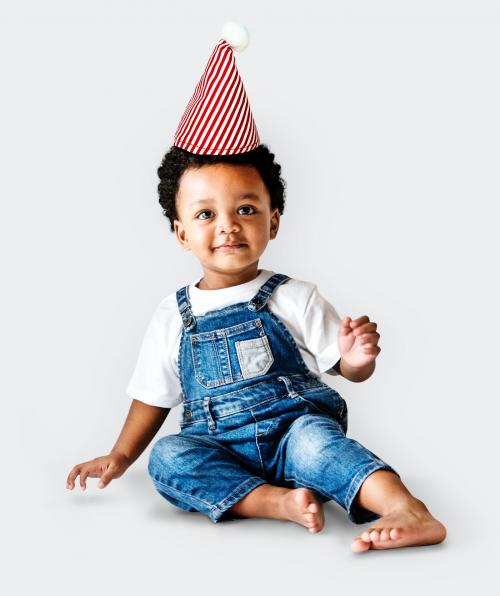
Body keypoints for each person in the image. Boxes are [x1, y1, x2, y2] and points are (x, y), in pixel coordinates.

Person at [66, 24, 447, 553]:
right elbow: (153, 397)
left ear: (274, 222)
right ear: (180, 233)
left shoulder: (294, 295)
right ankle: (274, 501)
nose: (228, 225)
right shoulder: (174, 315)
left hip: (295, 432)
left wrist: (358, 358)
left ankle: (409, 509)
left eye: (246, 209)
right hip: (216, 443)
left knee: (323, 447)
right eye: (206, 214)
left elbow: (346, 368)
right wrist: (119, 455)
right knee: (169, 458)